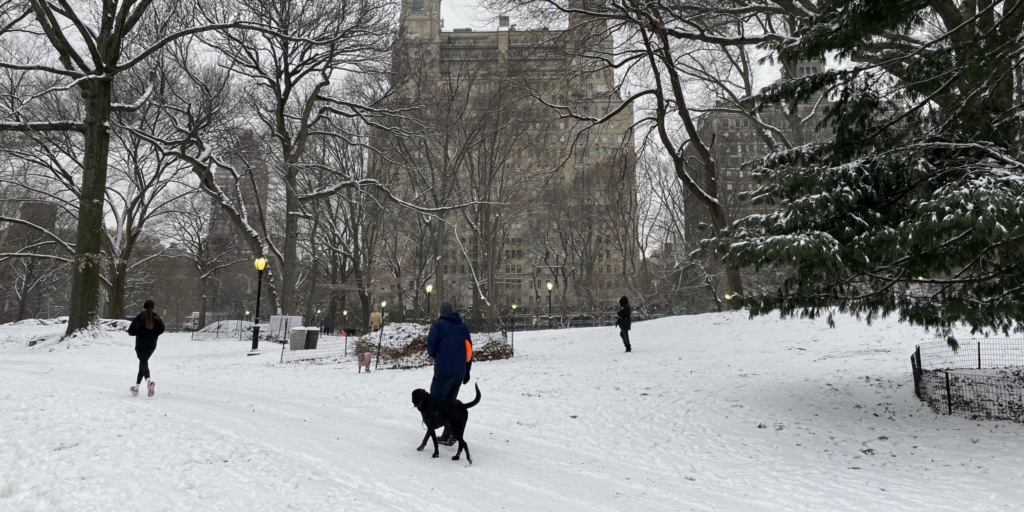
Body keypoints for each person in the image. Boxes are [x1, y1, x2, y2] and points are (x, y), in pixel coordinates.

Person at [426, 301, 473, 446]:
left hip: (443, 370)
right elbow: (469, 350)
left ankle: (434, 433)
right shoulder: (462, 327)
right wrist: (467, 370)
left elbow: (431, 347)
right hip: (459, 371)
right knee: (451, 403)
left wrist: (437, 356)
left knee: (434, 403)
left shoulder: (438, 326)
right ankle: (450, 433)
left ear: (441, 312)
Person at [127, 299, 165, 397]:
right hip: (152, 345)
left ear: (144, 306)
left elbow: (131, 331)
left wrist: (139, 332)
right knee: (143, 364)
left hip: (141, 344)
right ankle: (136, 388)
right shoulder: (156, 317)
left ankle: (149, 382)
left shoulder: (140, 317)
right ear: (153, 307)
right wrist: (153, 334)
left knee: (143, 363)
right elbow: (162, 329)